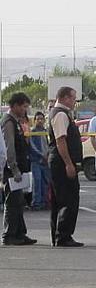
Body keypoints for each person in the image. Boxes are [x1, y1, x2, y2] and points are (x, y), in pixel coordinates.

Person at [48, 87, 84, 247]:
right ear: (64, 97)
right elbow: (60, 141)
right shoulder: (61, 115)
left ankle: (59, 235)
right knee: (67, 199)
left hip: (59, 162)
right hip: (62, 163)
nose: (75, 101)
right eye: (73, 98)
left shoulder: (61, 114)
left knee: (60, 199)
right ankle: (63, 236)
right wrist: (69, 164)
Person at [1, 93, 36, 246]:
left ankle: (20, 233)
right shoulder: (8, 122)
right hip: (11, 170)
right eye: (23, 106)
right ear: (15, 105)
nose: (25, 110)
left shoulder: (16, 121)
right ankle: (9, 234)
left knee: (19, 201)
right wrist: (14, 169)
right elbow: (9, 148)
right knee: (12, 202)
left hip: (19, 168)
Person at [29, 112, 49, 210]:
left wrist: (47, 155)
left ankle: (44, 202)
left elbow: (48, 145)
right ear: (34, 120)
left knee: (45, 182)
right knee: (37, 181)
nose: (40, 121)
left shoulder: (45, 131)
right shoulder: (32, 132)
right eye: (38, 119)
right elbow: (32, 146)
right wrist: (41, 155)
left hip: (46, 161)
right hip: (36, 160)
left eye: (42, 119)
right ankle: (36, 203)